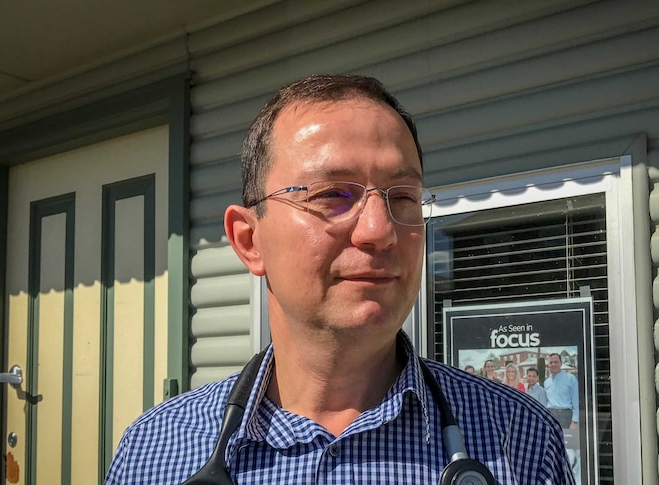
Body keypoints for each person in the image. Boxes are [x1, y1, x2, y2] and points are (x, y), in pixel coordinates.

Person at [105, 74, 574, 484]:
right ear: (250, 241)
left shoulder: (519, 439)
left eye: (404, 197)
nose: (380, 230)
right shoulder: (154, 453)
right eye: (332, 194)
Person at [544, 353, 580, 430]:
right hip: (550, 415)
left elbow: (576, 401)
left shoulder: (571, 378)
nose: (553, 364)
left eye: (556, 362)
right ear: (548, 365)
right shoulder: (546, 382)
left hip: (565, 416)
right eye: (551, 362)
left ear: (561, 363)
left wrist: (575, 421)